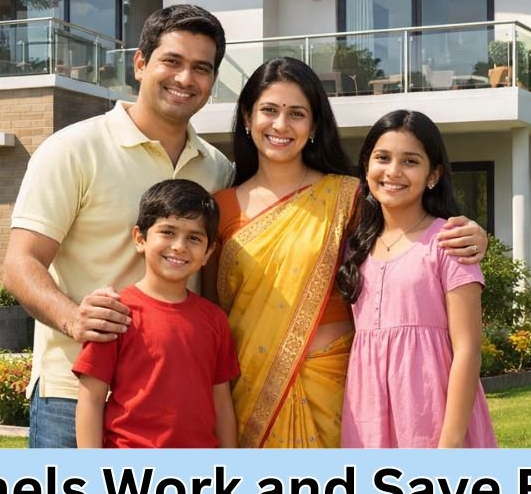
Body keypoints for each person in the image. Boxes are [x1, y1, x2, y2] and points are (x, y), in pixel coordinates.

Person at [204, 57, 488, 448]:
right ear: (247, 117)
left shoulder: (350, 196)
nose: (281, 125)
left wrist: (474, 234)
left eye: (297, 113)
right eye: (269, 110)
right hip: (252, 390)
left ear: (314, 125)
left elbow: (409, 232)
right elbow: (213, 316)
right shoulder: (219, 208)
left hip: (341, 394)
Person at [3, 5, 233, 448]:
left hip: (170, 404)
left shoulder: (217, 169)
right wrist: (74, 320)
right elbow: (20, 263)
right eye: (172, 61)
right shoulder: (73, 149)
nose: (185, 78)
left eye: (201, 68)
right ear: (140, 63)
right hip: (73, 394)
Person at [337, 110, 497, 448]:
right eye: (383, 158)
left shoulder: (450, 242)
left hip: (433, 415)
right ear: (366, 166)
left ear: (433, 175)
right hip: (367, 417)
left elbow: (468, 350)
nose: (393, 171)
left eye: (410, 161)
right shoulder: (355, 247)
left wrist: (449, 445)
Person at [73, 180, 239, 448]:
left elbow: (222, 404)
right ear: (140, 239)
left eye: (194, 238)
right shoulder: (115, 314)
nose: (179, 246)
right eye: (168, 232)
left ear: (208, 252)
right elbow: (91, 400)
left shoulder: (215, 320)